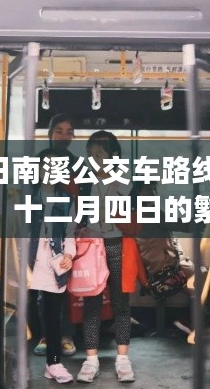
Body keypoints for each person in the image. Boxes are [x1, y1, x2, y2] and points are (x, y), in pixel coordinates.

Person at [75, 130, 136, 383]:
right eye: (90, 155)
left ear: (114, 156)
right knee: (92, 304)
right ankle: (91, 360)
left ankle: (123, 359)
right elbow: (78, 218)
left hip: (118, 245)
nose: (93, 160)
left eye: (99, 155)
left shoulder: (127, 184)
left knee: (121, 303)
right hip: (92, 250)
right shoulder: (84, 183)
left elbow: (134, 221)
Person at [28, 147, 77, 384]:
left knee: (53, 315)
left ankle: (53, 363)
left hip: (53, 263)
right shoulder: (26, 196)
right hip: (28, 261)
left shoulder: (67, 201)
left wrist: (69, 254)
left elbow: (70, 234)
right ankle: (15, 363)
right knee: (24, 312)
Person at [34, 114, 78, 358]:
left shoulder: (77, 164)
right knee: (41, 293)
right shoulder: (38, 163)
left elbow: (83, 198)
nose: (64, 135)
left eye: (68, 131)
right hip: (39, 241)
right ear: (50, 133)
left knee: (65, 290)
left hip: (66, 234)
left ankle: (66, 336)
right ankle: (46, 335)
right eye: (59, 130)